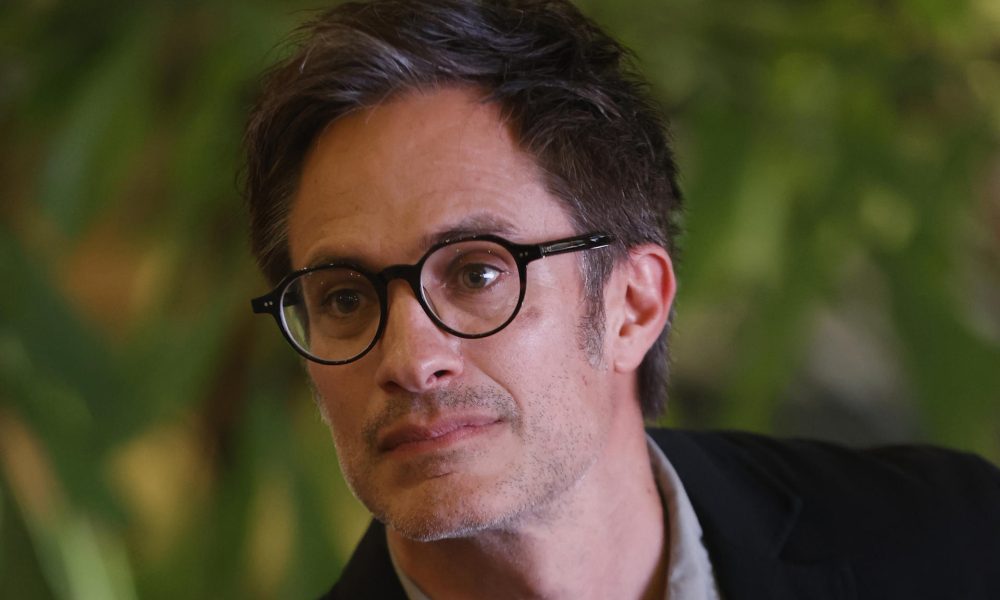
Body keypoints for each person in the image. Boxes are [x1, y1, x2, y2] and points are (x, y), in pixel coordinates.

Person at [244, 0, 1000, 598]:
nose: (409, 359)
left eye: (477, 274)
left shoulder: (952, 542)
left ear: (633, 306)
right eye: (344, 299)